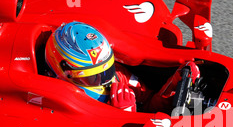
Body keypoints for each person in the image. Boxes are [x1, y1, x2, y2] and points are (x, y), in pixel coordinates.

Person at [44, 21, 200, 113]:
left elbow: (148, 104)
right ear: (65, 74)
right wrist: (125, 116)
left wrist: (173, 85)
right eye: (93, 76)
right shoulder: (55, 104)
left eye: (107, 69)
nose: (105, 80)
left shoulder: (117, 75)